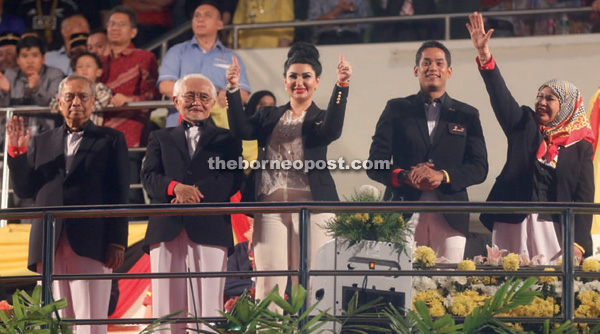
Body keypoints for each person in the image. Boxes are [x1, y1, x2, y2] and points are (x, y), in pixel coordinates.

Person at [226, 42, 352, 299]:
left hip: (315, 209)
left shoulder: (321, 118)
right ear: (285, 81)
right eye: (293, 76)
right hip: (270, 209)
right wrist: (232, 89)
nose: (299, 82)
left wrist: (341, 87)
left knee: (313, 278)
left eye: (306, 77)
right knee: (268, 278)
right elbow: (241, 131)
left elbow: (332, 131)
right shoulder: (268, 115)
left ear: (317, 81)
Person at [6, 74, 129, 334]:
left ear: (93, 102)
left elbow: (120, 193)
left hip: (92, 239)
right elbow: (25, 190)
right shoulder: (41, 141)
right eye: (70, 96)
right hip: (48, 241)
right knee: (55, 318)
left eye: (82, 96)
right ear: (59, 103)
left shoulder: (112, 139)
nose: (76, 102)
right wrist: (17, 155)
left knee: (90, 315)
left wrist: (117, 241)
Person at [467, 12, 594, 263]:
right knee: (507, 284)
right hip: (511, 220)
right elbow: (499, 95)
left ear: (567, 106)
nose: (541, 102)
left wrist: (579, 243)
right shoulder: (523, 123)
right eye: (539, 96)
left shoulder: (581, 146)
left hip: (554, 227)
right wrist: (485, 56)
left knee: (548, 288)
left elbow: (583, 198)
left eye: (550, 98)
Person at [367, 40, 488, 263]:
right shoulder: (396, 108)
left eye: (439, 63)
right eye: (426, 62)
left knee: (449, 285)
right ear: (416, 70)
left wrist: (443, 176)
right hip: (402, 214)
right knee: (402, 283)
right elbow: (375, 163)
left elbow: (479, 167)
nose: (433, 67)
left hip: (451, 214)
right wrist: (405, 176)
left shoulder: (466, 114)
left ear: (449, 71)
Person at [141, 73, 243, 333]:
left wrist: (193, 192)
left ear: (213, 103)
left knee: (209, 305)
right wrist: (176, 188)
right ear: (176, 101)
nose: (196, 102)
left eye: (203, 96)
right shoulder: (159, 137)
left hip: (210, 227)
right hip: (166, 227)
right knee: (165, 304)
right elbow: (149, 177)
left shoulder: (228, 138)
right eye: (189, 96)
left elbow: (231, 178)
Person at [158, 0, 251, 128]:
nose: (200, 19)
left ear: (220, 24)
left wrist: (230, 94)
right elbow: (165, 86)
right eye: (197, 16)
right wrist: (208, 95)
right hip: (181, 127)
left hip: (220, 129)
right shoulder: (177, 52)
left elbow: (244, 94)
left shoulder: (232, 57)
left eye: (207, 15)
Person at [100, 5, 159, 205]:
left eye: (121, 24)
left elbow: (153, 97)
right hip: (97, 133)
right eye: (112, 23)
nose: (115, 27)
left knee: (130, 191)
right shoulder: (97, 60)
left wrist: (128, 99)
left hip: (130, 136)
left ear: (133, 31)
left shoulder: (145, 58)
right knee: (100, 191)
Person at [50, 51, 112, 125]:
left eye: (88, 66)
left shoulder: (100, 88)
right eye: (80, 67)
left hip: (92, 133)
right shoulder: (67, 88)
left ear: (98, 72)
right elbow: (54, 102)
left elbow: (98, 103)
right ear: (75, 72)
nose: (84, 69)